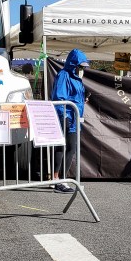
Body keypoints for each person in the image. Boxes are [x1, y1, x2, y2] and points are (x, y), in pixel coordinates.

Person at [51, 48, 88, 194]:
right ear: (74, 64)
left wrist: (84, 98)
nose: (82, 69)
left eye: (84, 67)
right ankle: (58, 180)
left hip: (74, 117)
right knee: (63, 147)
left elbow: (75, 97)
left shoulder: (76, 78)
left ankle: (60, 179)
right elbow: (58, 97)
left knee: (70, 147)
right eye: (81, 66)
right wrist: (64, 116)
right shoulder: (64, 75)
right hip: (66, 116)